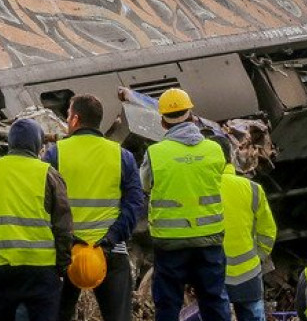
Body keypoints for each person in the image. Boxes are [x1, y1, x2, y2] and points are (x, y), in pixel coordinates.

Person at [45, 95, 144, 321]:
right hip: (111, 251)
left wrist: (66, 240)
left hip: (65, 252)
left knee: (57, 315)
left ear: (75, 119)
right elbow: (134, 203)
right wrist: (111, 238)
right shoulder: (121, 156)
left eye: (68, 114)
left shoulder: (55, 154)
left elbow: (43, 203)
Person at [0, 118, 75, 321]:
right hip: (41, 272)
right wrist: (61, 266)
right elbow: (63, 227)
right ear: (37, 144)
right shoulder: (49, 174)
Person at [141, 88, 232, 321]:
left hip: (170, 243)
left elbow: (145, 185)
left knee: (168, 305)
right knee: (214, 301)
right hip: (209, 240)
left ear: (162, 121)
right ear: (191, 115)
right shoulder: (214, 150)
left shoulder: (155, 153)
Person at [218, 140, 275, 321]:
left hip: (214, 272)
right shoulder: (253, 188)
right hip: (249, 271)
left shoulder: (203, 189)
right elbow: (268, 230)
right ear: (231, 157)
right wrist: (259, 256)